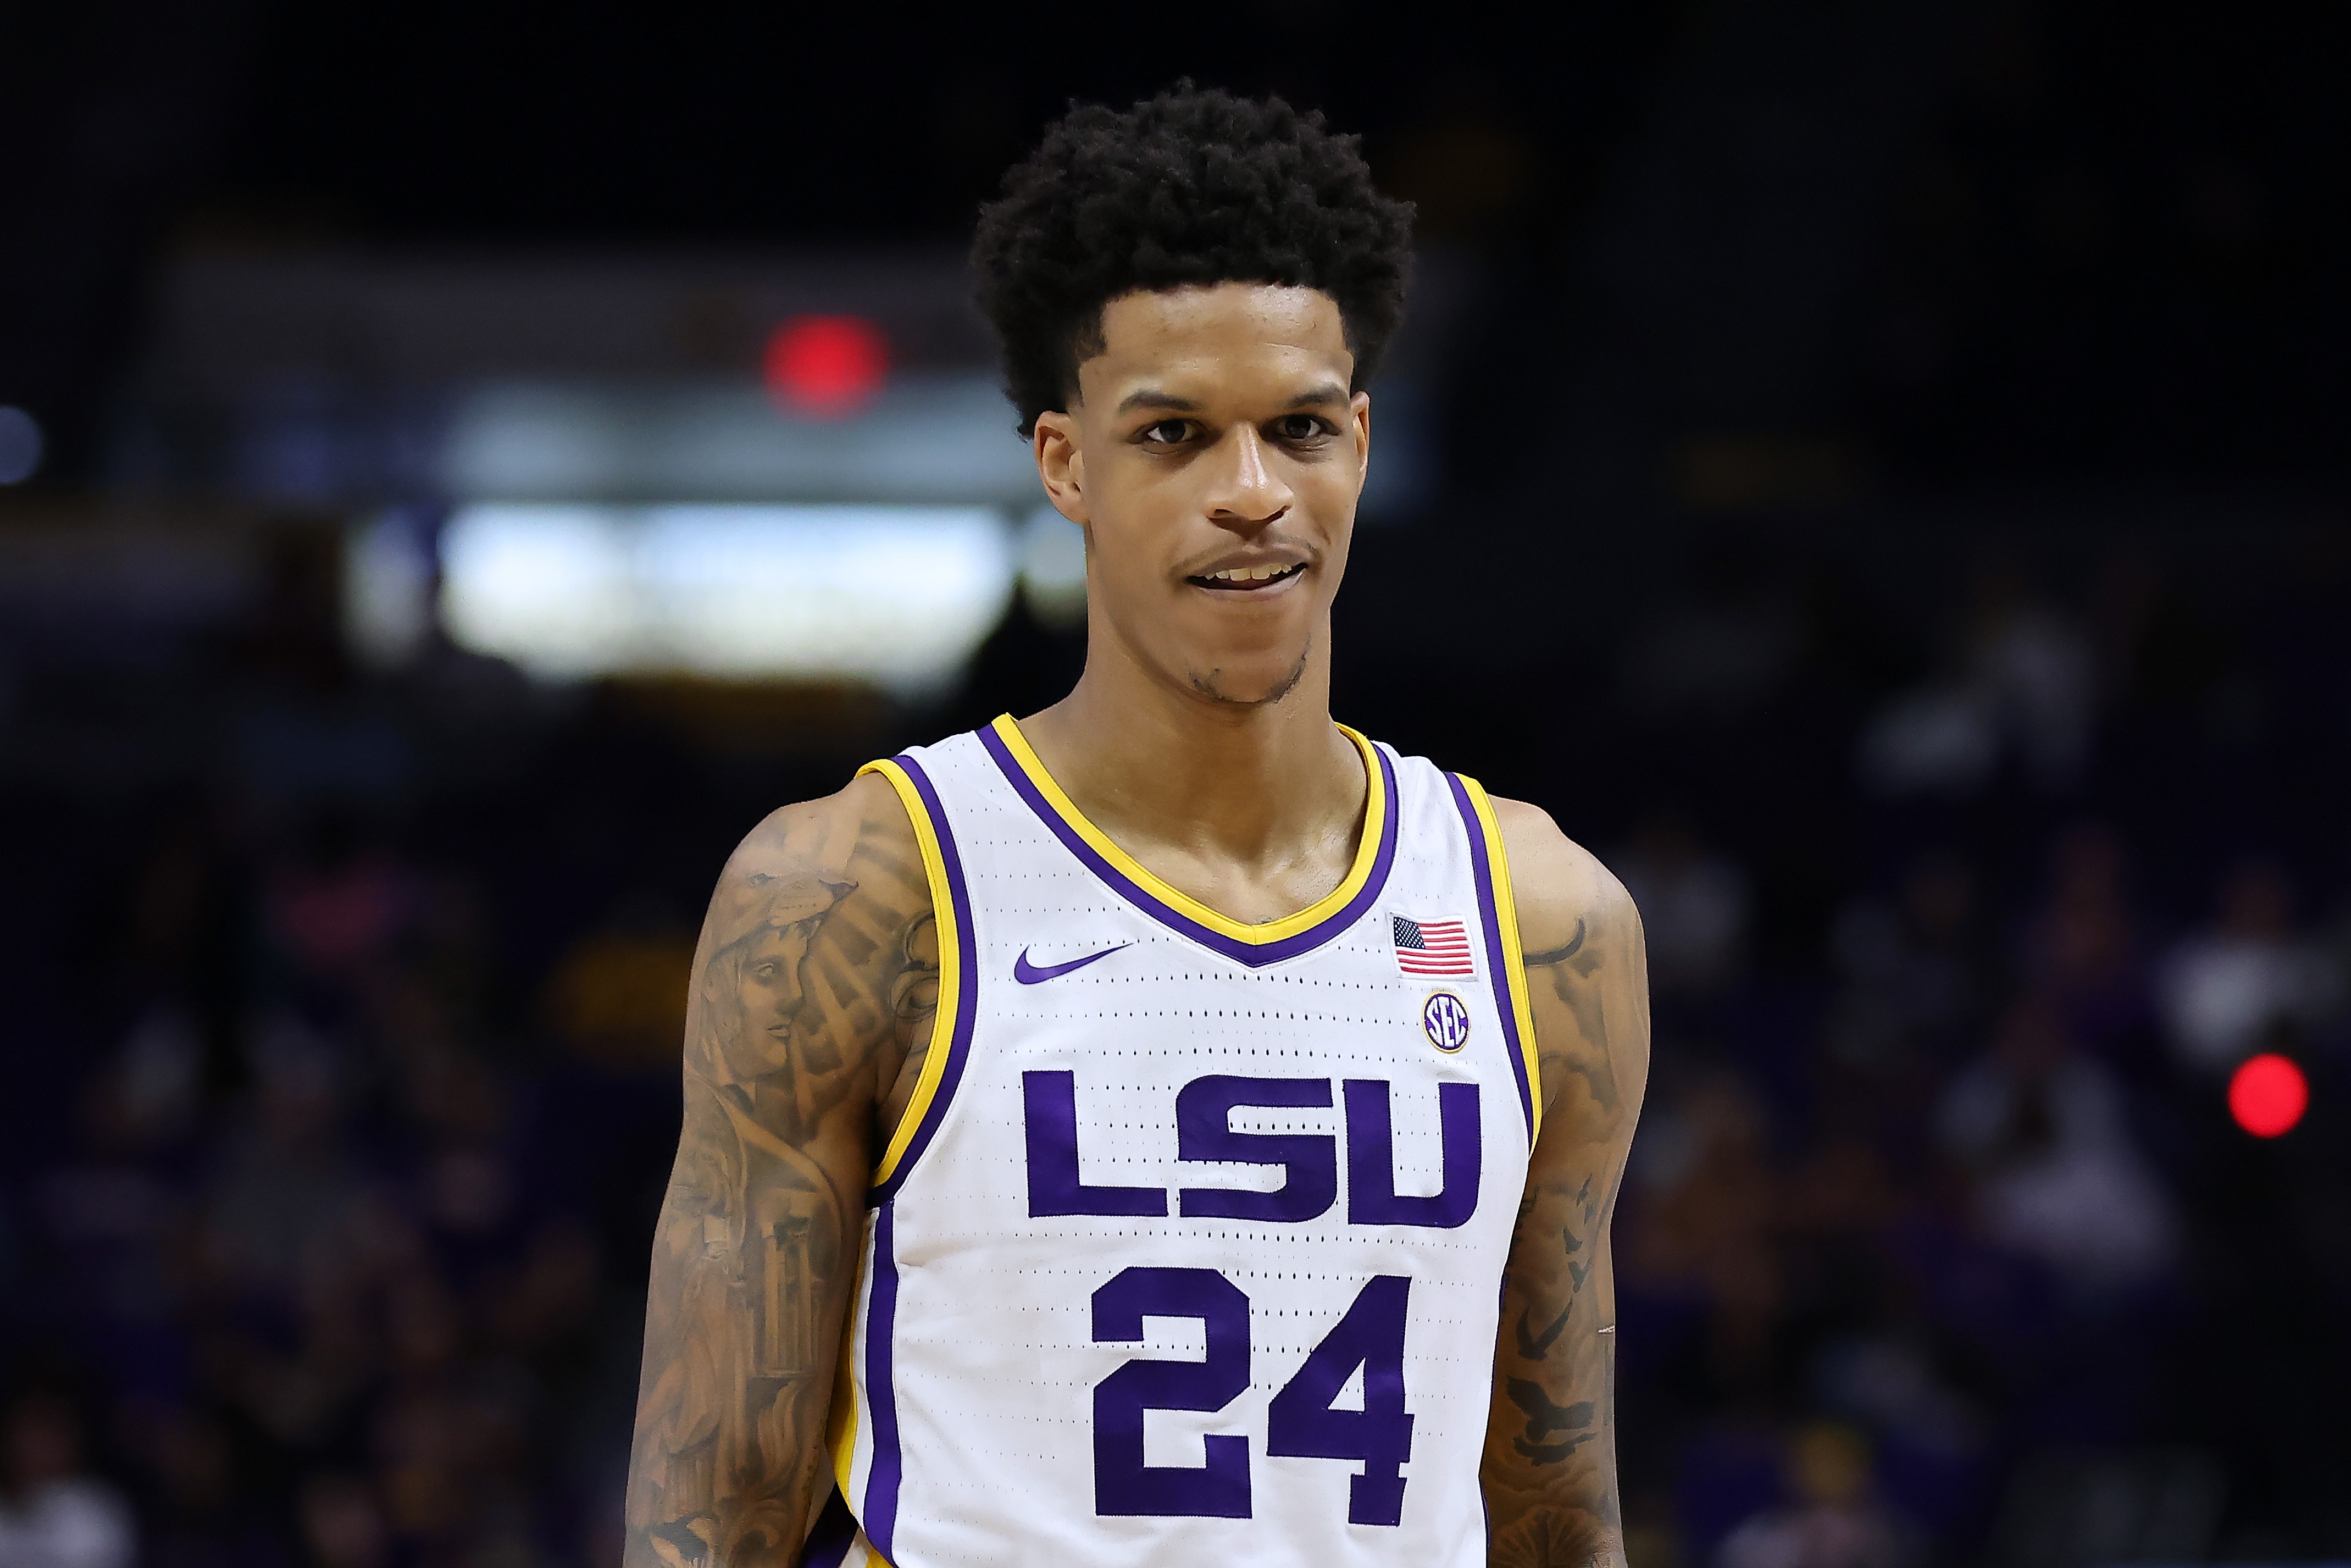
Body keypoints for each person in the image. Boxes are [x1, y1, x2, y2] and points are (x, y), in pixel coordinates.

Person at [622, 85, 1650, 1568]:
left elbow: (1557, 1515)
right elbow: (714, 1505)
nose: (1250, 494)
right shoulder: (856, 892)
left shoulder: (1545, 920)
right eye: (1174, 435)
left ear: (1358, 443)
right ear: (1066, 465)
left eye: (1297, 429)